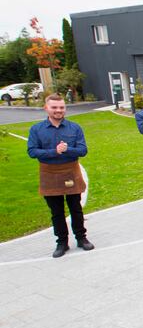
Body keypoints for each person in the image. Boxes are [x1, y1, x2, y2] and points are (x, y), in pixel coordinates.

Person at [27, 93, 94, 258]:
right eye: (54, 107)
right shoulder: (36, 129)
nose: (58, 110)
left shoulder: (74, 128)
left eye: (62, 107)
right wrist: (54, 152)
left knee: (76, 208)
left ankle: (81, 238)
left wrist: (67, 149)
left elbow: (83, 150)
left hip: (71, 171)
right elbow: (32, 151)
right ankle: (62, 242)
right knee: (56, 211)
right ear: (46, 108)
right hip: (49, 173)